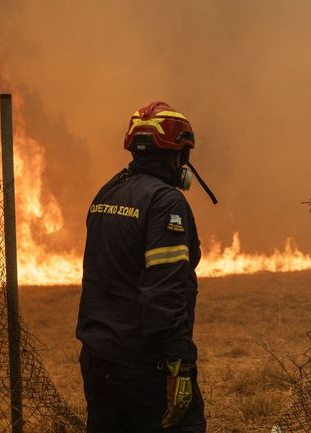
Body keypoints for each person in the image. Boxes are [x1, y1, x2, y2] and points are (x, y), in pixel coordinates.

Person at [76, 102, 208, 432]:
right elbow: (165, 290)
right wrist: (178, 364)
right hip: (145, 364)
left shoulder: (108, 192)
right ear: (178, 153)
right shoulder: (166, 202)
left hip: (98, 357)